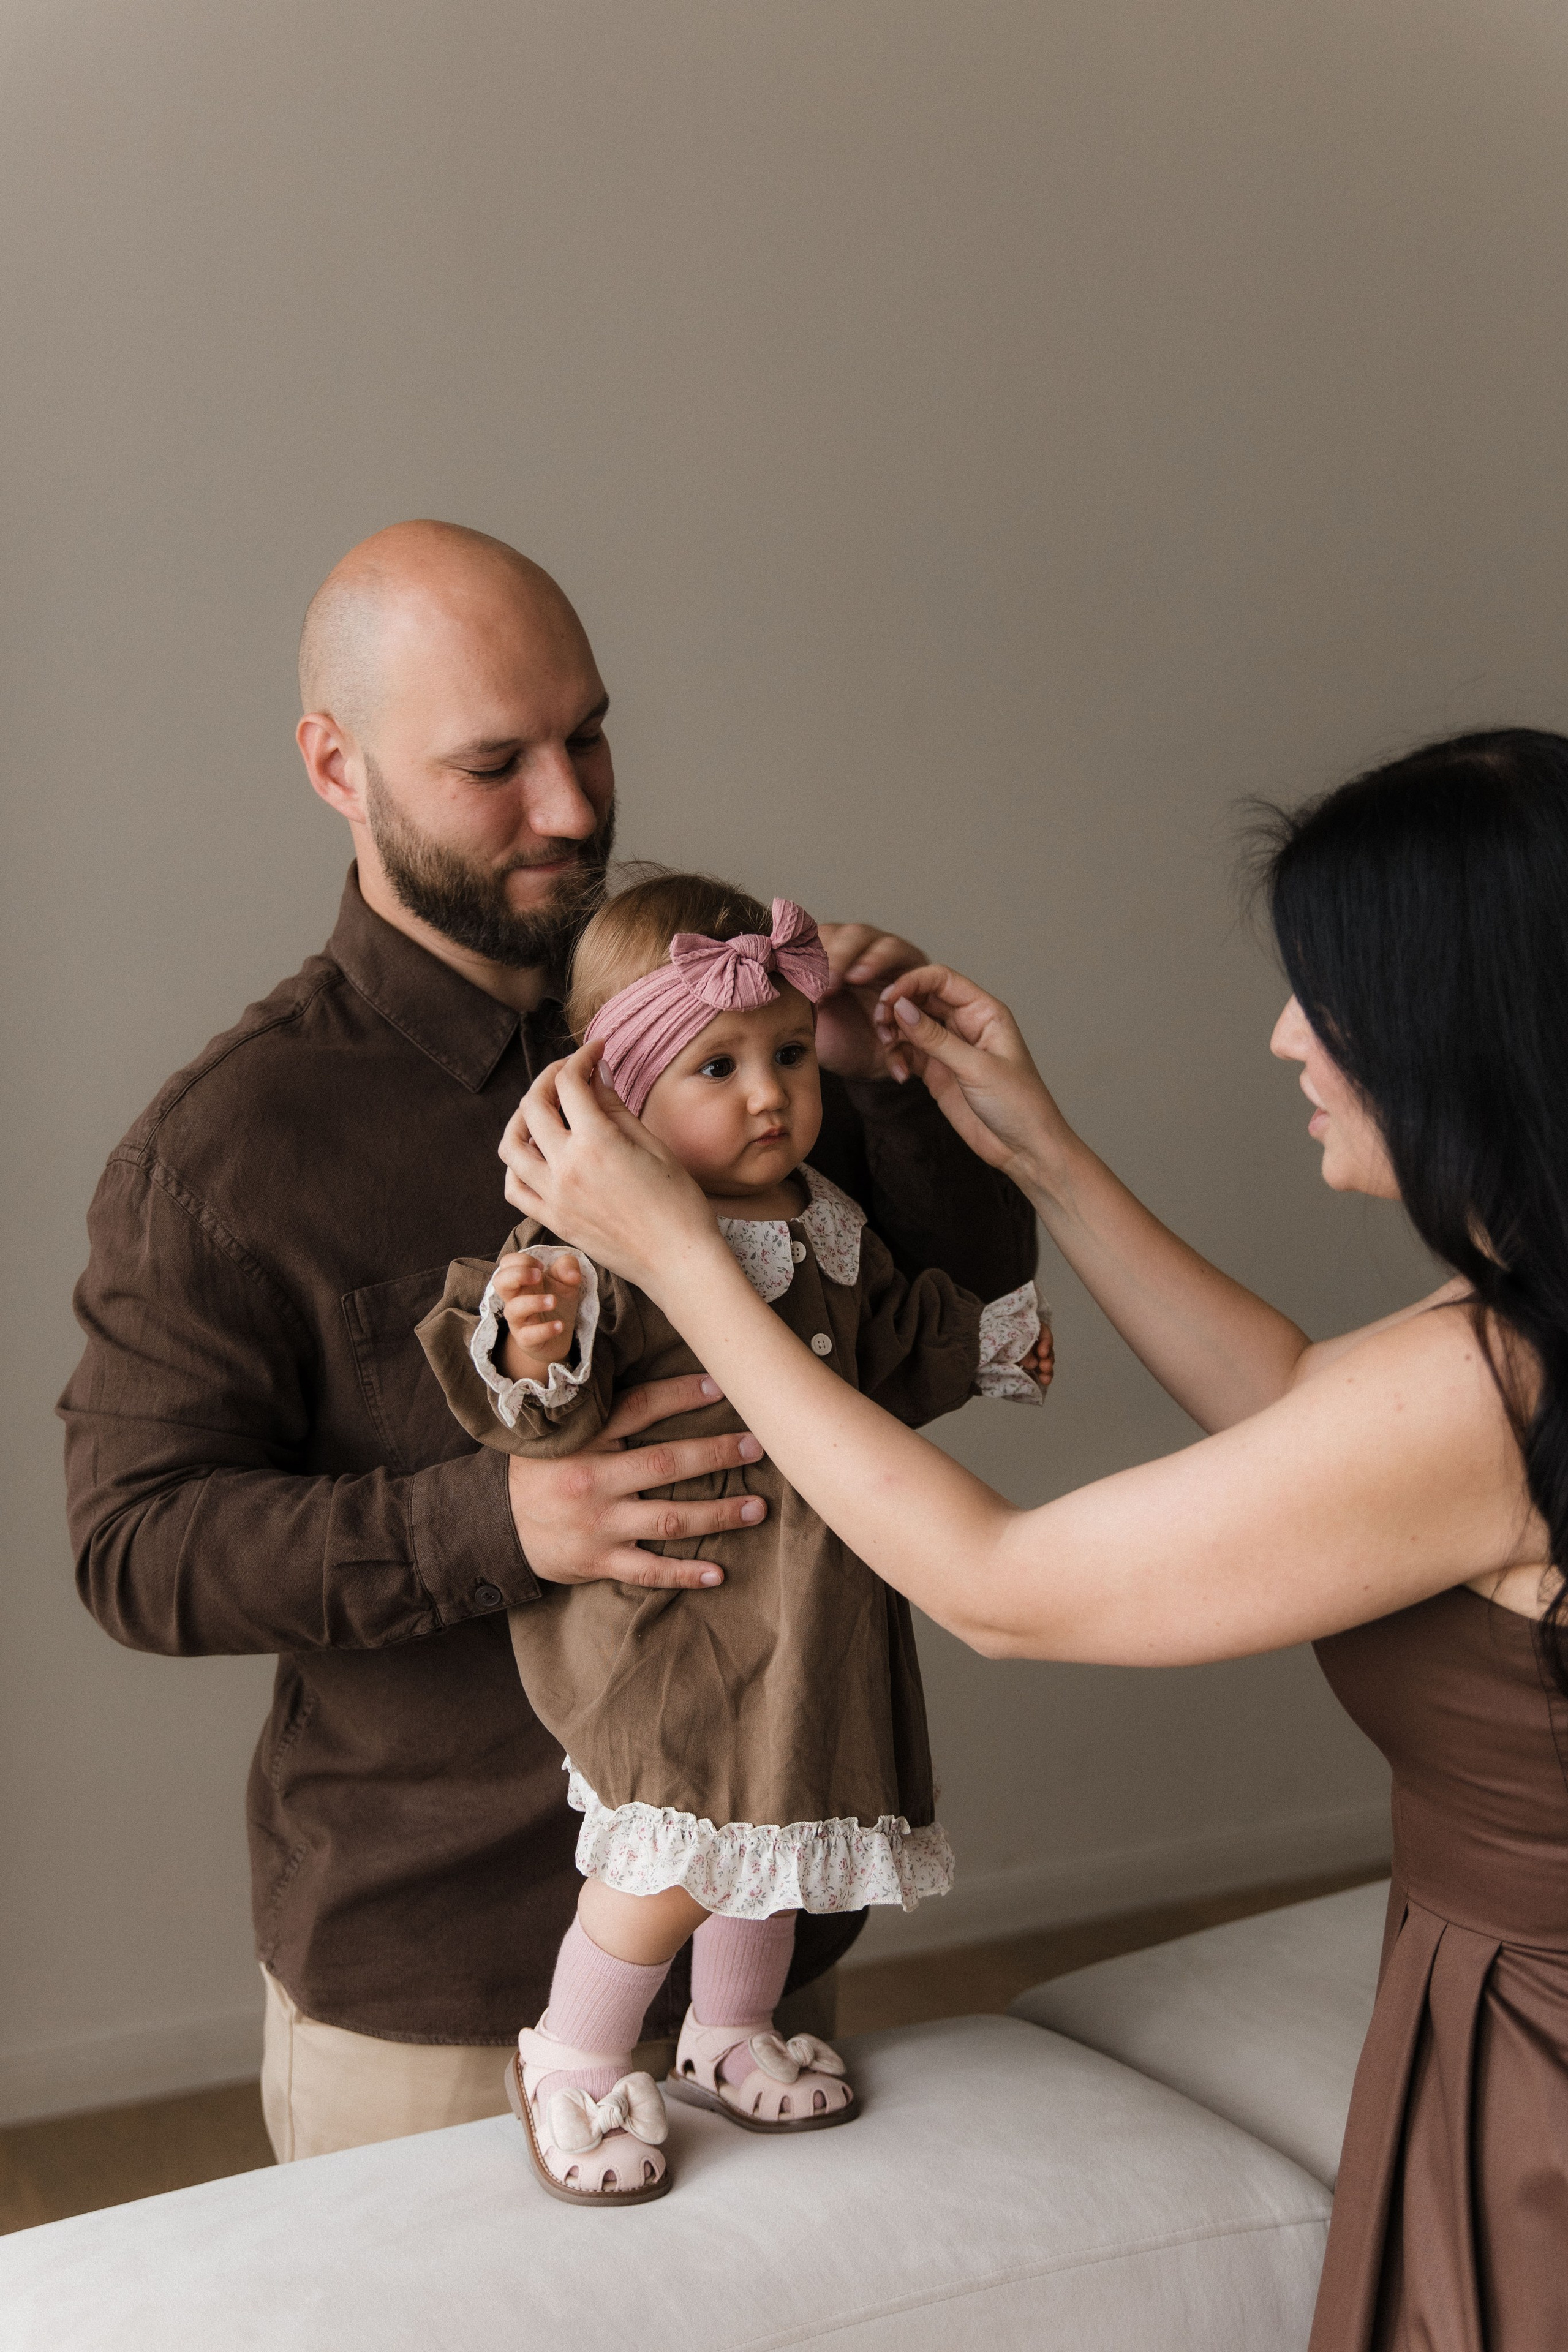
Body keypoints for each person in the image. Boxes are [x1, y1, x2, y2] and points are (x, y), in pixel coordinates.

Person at [499, 728, 1568, 2346]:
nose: (1286, 1038)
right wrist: (1032, 1145)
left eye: (1328, 998)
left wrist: (681, 1258)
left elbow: (1002, 1590)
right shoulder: (1508, 1330)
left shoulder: (1492, 1388)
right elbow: (1296, 1401)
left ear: (1463, 1032)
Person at [57, 521, 1038, 2163]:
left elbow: (934, 1308)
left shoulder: (730, 1022)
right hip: (438, 1991)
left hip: (766, 1961)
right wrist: (497, 1524)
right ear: (334, 767)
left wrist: (884, 1083)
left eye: (588, 733)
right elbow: (135, 1548)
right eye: (495, 763)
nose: (575, 805)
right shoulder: (226, 1151)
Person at [416, 871, 1047, 2203]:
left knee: (779, 1829)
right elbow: (548, 1405)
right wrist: (532, 1339)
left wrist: (978, 1341)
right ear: (625, 1095)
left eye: (785, 1057)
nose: (770, 1095)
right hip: (683, 1616)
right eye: (716, 1065)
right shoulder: (605, 1235)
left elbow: (881, 1346)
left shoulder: (817, 1218)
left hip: (810, 1606)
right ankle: (574, 2053)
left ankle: (728, 2030)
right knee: (676, 1854)